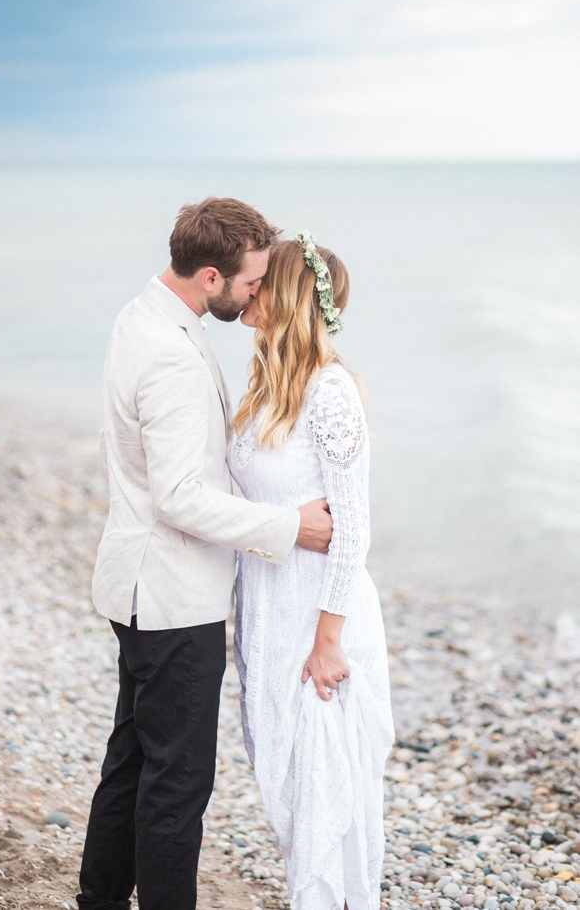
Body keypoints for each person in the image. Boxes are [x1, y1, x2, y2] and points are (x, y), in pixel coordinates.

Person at [77, 199, 333, 910]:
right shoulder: (173, 357)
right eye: (252, 282)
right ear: (212, 275)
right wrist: (289, 526)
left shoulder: (143, 315)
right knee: (176, 786)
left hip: (136, 584)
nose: (259, 294)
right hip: (171, 596)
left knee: (131, 764)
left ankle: (98, 900)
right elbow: (181, 497)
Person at [231, 233, 394, 910]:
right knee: (283, 779)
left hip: (317, 616)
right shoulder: (267, 386)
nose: (247, 284)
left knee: (323, 792)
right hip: (267, 603)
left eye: (260, 276)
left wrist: (329, 641)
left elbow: (352, 528)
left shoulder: (331, 393)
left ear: (287, 292)